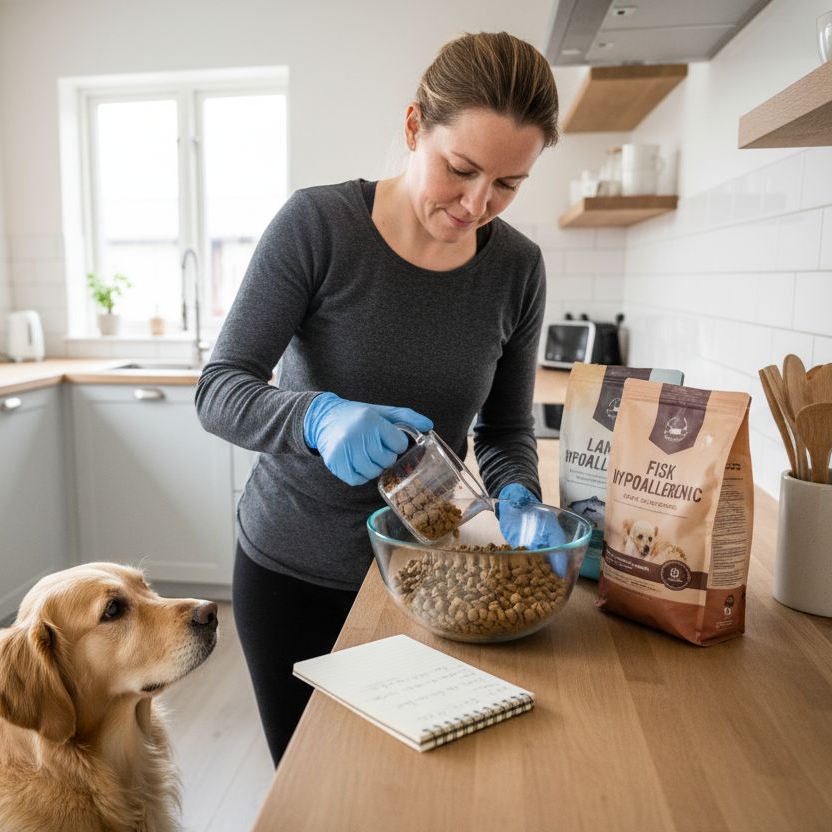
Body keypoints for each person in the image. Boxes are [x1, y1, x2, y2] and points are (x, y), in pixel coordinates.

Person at [195, 31, 559, 766]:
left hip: (436, 578)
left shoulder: (517, 268)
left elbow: (508, 426)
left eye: (509, 184)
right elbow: (219, 388)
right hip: (292, 574)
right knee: (315, 791)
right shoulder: (317, 227)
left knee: (413, 792)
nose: (478, 204)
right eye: (460, 170)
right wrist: (317, 416)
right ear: (412, 128)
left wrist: (519, 492)